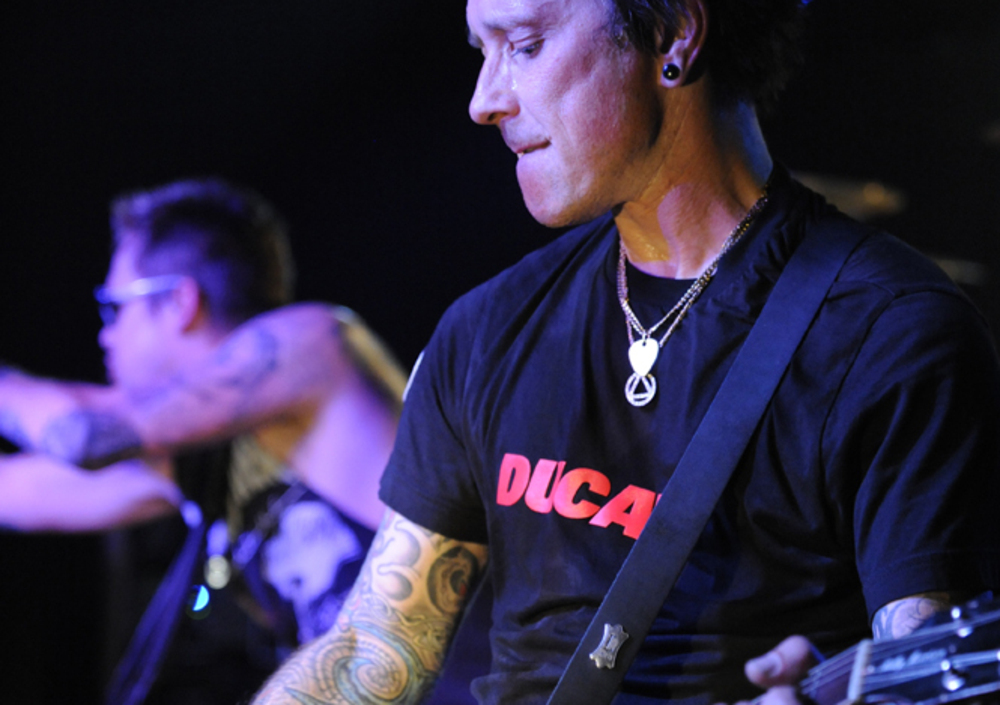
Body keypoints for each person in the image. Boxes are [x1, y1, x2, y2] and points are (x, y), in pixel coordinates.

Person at [251, 0, 1000, 703]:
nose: (484, 100)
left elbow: (932, 666)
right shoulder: (486, 329)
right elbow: (375, 648)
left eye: (526, 45)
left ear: (674, 34)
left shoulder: (890, 335)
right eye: (484, 52)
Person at [0, 178, 486, 704]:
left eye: (115, 307)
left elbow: (83, 433)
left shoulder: (309, 344)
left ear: (180, 301)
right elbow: (18, 493)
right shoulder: (197, 455)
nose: (106, 335)